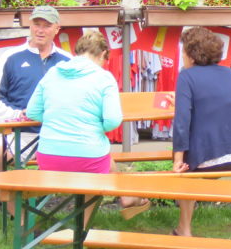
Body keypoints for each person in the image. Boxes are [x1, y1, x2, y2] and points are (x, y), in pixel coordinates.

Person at [25, 31, 149, 220]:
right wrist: (94, 127)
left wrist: (57, 118)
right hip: (87, 157)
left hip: (49, 156)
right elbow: (113, 120)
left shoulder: (52, 73)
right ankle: (83, 229)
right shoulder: (104, 78)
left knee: (100, 152)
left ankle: (127, 196)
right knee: (98, 153)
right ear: (102, 55)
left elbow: (32, 111)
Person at [0, 5, 71, 210]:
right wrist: (16, 115)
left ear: (57, 29)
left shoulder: (68, 61)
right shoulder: (10, 57)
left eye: (46, 26)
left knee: (99, 157)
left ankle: (82, 226)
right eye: (36, 24)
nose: (40, 30)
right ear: (29, 26)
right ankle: (20, 218)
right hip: (21, 134)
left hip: (60, 134)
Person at [172, 27, 231, 237]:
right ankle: (183, 227)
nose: (182, 56)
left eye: (183, 52)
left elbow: (182, 120)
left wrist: (177, 159)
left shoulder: (186, 77)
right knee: (190, 167)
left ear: (190, 54)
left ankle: (184, 229)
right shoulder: (227, 73)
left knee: (186, 170)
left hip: (210, 159)